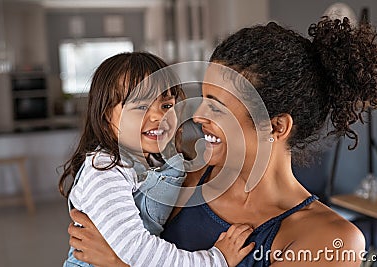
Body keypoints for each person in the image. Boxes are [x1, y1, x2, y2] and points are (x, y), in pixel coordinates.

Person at [67, 17, 377, 266]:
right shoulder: (181, 179)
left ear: (277, 126)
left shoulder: (332, 239)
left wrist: (120, 263)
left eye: (219, 107)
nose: (196, 117)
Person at [59, 51, 255, 267]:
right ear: (107, 115)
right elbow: (137, 250)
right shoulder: (105, 170)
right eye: (141, 106)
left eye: (166, 105)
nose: (158, 117)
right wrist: (215, 260)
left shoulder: (157, 163)